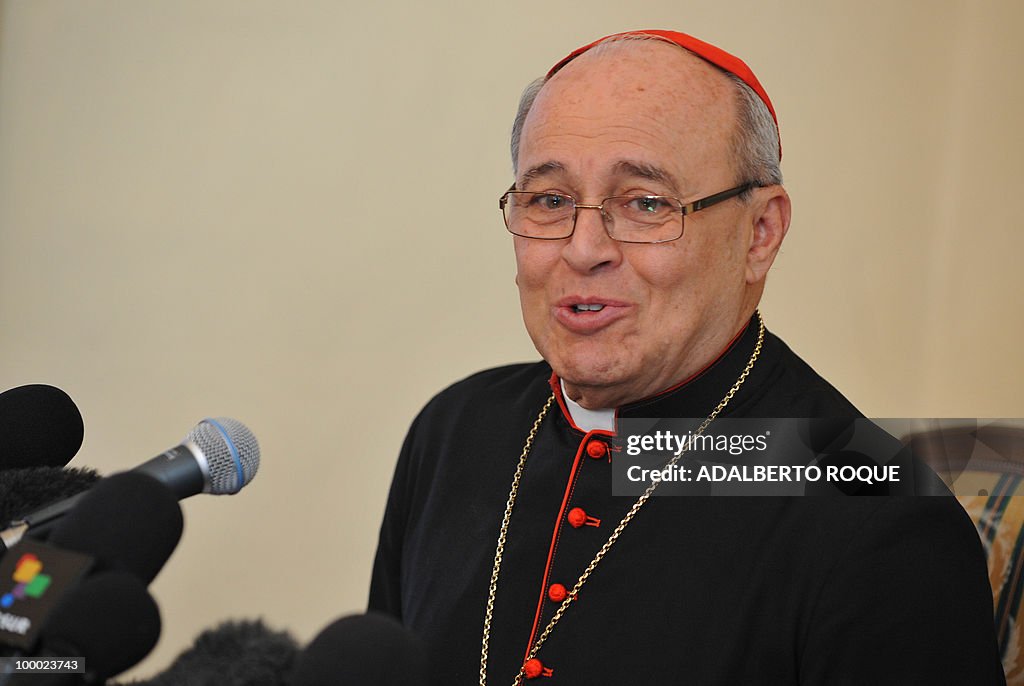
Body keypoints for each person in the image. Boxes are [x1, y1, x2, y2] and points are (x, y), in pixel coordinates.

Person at [369, 29, 1004, 684]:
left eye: (646, 204)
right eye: (550, 201)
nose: (584, 249)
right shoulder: (452, 433)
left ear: (760, 233)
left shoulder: (882, 523)